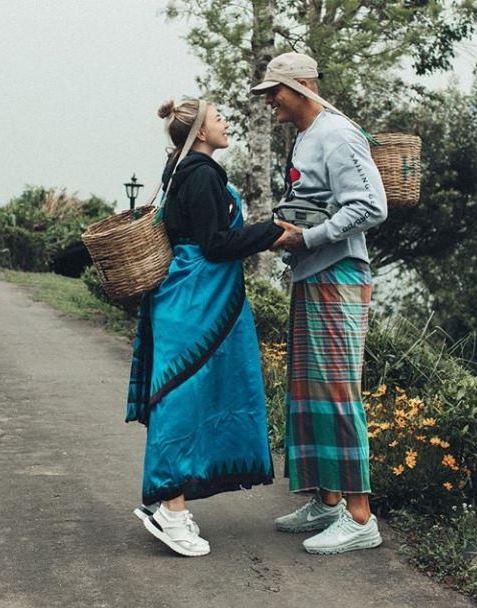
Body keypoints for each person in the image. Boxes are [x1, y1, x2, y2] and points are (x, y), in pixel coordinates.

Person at [125, 98, 285, 557]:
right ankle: (169, 511)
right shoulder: (200, 175)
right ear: (199, 132)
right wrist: (273, 231)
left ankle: (172, 503)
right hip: (194, 299)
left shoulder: (182, 170)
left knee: (186, 396)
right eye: (219, 119)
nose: (226, 122)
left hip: (190, 297)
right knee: (180, 398)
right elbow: (215, 245)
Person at [251, 52, 388, 555]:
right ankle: (326, 500)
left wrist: (308, 238)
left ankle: (359, 516)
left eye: (276, 92)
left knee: (336, 391)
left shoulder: (337, 133)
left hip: (337, 274)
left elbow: (372, 205)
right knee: (308, 390)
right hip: (311, 274)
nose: (270, 102)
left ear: (303, 85)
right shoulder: (307, 138)